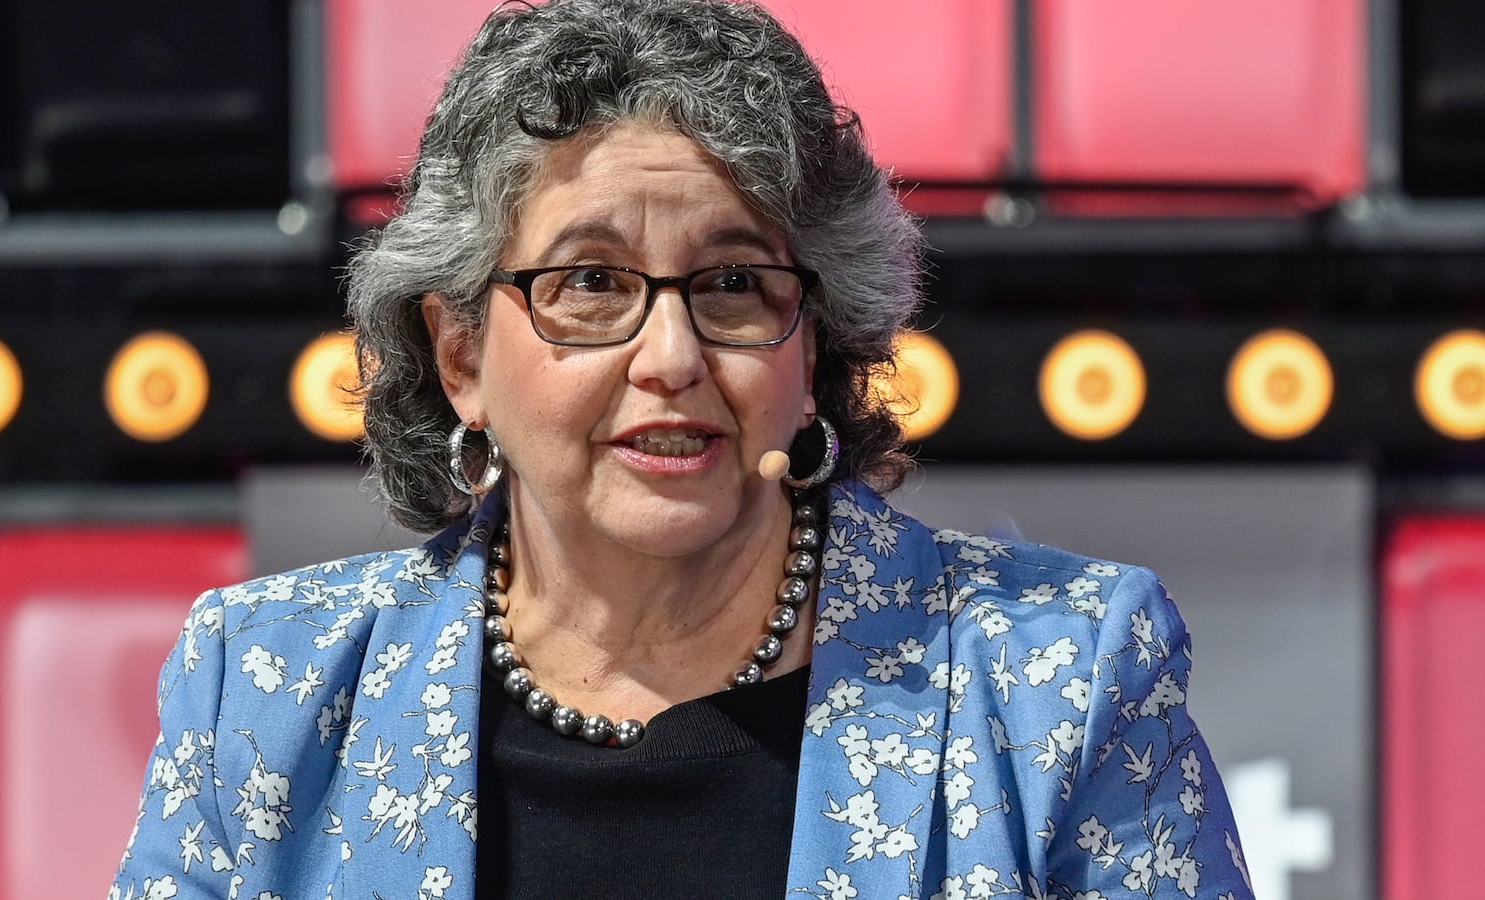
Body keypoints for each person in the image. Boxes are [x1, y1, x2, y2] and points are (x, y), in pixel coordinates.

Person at [112, 1, 1254, 897]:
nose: (670, 355)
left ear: (820, 343)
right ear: (460, 353)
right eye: (591, 283)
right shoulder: (266, 692)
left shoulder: (1055, 681)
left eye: (731, 284)